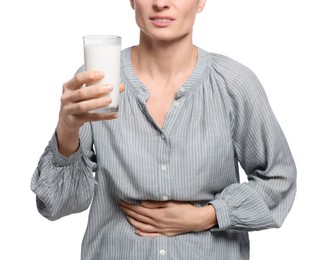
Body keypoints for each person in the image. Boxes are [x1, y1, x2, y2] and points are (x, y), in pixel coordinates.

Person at [31, 0, 297, 259]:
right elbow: (55, 205)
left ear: (200, 2)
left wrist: (207, 216)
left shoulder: (234, 83)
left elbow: (278, 179)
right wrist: (67, 127)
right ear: (132, 1)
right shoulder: (98, 80)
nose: (161, 3)